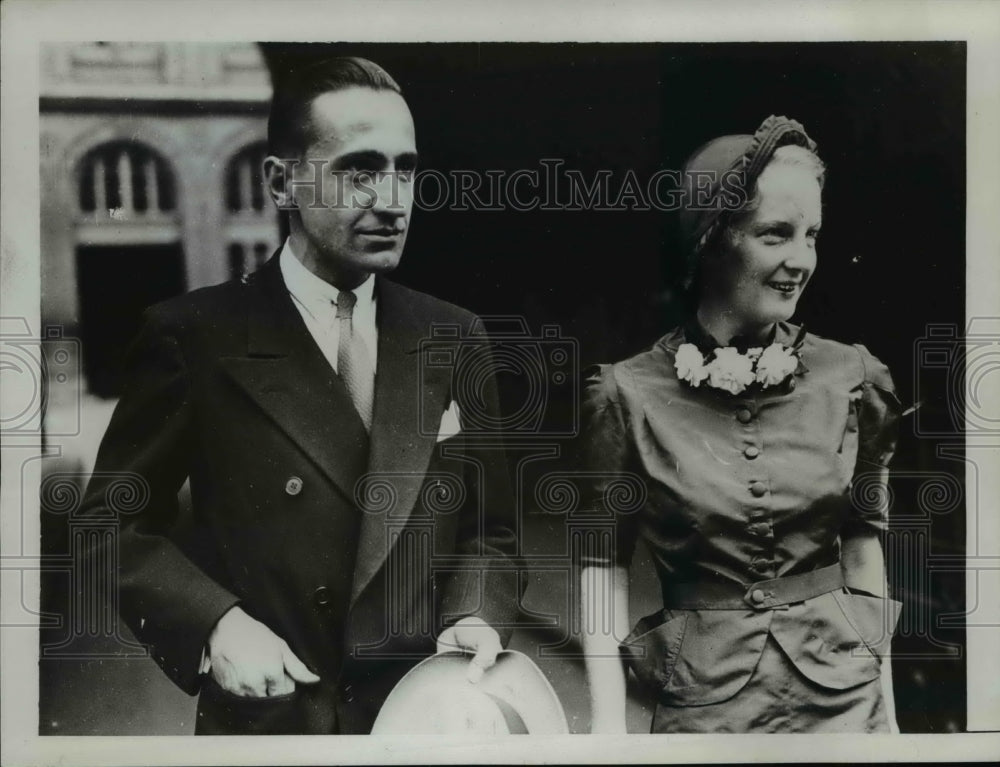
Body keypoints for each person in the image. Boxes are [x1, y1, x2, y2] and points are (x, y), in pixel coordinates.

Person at [80, 56, 521, 735]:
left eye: (406, 168)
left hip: (423, 716)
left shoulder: (452, 335)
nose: (392, 197)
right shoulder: (196, 337)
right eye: (359, 169)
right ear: (281, 181)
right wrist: (214, 622)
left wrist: (473, 613)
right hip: (274, 721)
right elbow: (109, 524)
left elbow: (489, 530)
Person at [578, 115, 903, 733]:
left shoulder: (852, 377)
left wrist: (886, 718)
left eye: (811, 235)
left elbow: (864, 548)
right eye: (776, 234)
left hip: (844, 703)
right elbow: (600, 570)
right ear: (712, 239)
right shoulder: (627, 395)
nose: (801, 259)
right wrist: (607, 732)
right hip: (704, 710)